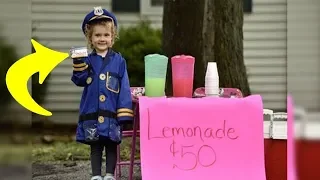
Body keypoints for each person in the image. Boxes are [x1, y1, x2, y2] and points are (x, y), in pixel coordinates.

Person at [70, 6, 133, 180]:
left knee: (112, 144)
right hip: (93, 111)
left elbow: (124, 87)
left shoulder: (119, 61)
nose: (102, 39)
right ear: (90, 39)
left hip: (111, 111)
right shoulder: (87, 60)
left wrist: (124, 113)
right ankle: (96, 175)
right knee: (95, 145)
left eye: (106, 35)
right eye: (97, 35)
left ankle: (110, 175)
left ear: (112, 38)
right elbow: (79, 80)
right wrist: (78, 64)